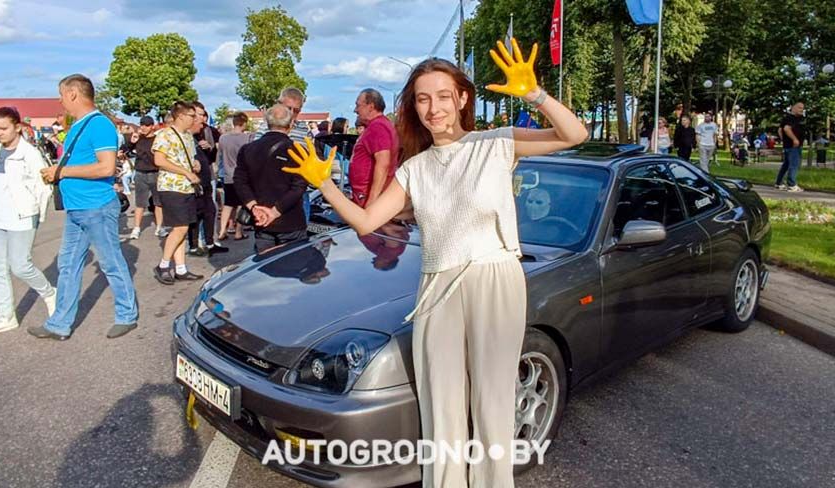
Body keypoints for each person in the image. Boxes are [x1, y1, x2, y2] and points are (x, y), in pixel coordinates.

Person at [282, 39, 588, 487]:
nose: (434, 107)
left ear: (462, 99)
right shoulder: (415, 168)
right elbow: (367, 220)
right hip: (436, 289)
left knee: (491, 403)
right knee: (440, 404)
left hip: (493, 278)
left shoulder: (496, 143)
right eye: (423, 99)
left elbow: (574, 135)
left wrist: (534, 95)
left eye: (444, 96)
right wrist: (327, 185)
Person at [32, 74, 139, 340]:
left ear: (72, 94)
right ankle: (59, 323)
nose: (60, 101)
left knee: (111, 263)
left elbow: (105, 167)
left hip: (96, 206)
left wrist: (62, 171)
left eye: (61, 95)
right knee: (67, 265)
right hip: (78, 208)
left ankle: (127, 315)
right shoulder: (81, 124)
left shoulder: (99, 124)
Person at [0, 107, 56, 337]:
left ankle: (49, 293)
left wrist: (36, 213)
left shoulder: (29, 153)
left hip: (21, 216)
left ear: (17, 127)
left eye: (3, 128)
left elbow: (43, 186)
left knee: (20, 265)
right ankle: (5, 316)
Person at [233, 104, 308, 255]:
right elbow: (299, 187)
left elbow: (240, 181)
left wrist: (254, 207)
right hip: (290, 220)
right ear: (290, 124)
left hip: (261, 219)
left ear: (267, 122)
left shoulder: (248, 149)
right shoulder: (297, 151)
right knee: (294, 267)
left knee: (264, 270)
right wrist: (275, 211)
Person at [152, 101, 204, 285]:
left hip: (187, 187)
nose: (195, 119)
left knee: (182, 227)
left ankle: (180, 268)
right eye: (192, 115)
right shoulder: (165, 135)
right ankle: (163, 265)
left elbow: (190, 158)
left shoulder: (188, 136)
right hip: (171, 186)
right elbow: (159, 160)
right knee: (180, 227)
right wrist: (185, 172)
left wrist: (195, 165)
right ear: (180, 116)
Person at [187, 101, 227, 256]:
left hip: (207, 174)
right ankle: (194, 245)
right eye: (198, 114)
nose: (202, 118)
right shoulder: (186, 135)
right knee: (195, 213)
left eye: (203, 114)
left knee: (210, 210)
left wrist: (210, 149)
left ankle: (210, 243)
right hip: (194, 180)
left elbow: (213, 155)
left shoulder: (208, 131)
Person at [350, 88, 400, 207]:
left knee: (380, 226)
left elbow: (383, 163)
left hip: (367, 196)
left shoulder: (378, 127)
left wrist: (372, 200)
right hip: (363, 194)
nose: (355, 110)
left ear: (371, 107)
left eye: (358, 105)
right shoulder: (377, 126)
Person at [216, 112, 253, 242]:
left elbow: (219, 157)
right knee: (242, 204)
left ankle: (221, 231)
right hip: (242, 176)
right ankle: (238, 231)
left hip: (227, 174)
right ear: (244, 123)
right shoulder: (248, 138)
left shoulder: (223, 138)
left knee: (228, 204)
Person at [127, 116, 165, 239]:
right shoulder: (138, 138)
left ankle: (160, 227)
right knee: (140, 202)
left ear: (152, 126)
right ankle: (136, 228)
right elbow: (124, 150)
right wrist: (131, 142)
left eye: (147, 125)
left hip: (155, 172)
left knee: (158, 202)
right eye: (142, 124)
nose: (143, 127)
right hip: (140, 173)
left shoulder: (158, 139)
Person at [775, 102, 806, 192]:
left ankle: (779, 183)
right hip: (794, 145)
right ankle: (792, 185)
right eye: (799, 108)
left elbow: (780, 130)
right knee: (794, 164)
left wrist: (784, 140)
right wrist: (794, 139)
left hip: (788, 145)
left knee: (786, 165)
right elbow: (786, 129)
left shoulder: (789, 118)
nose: (801, 110)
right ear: (793, 108)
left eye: (802, 108)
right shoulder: (791, 118)